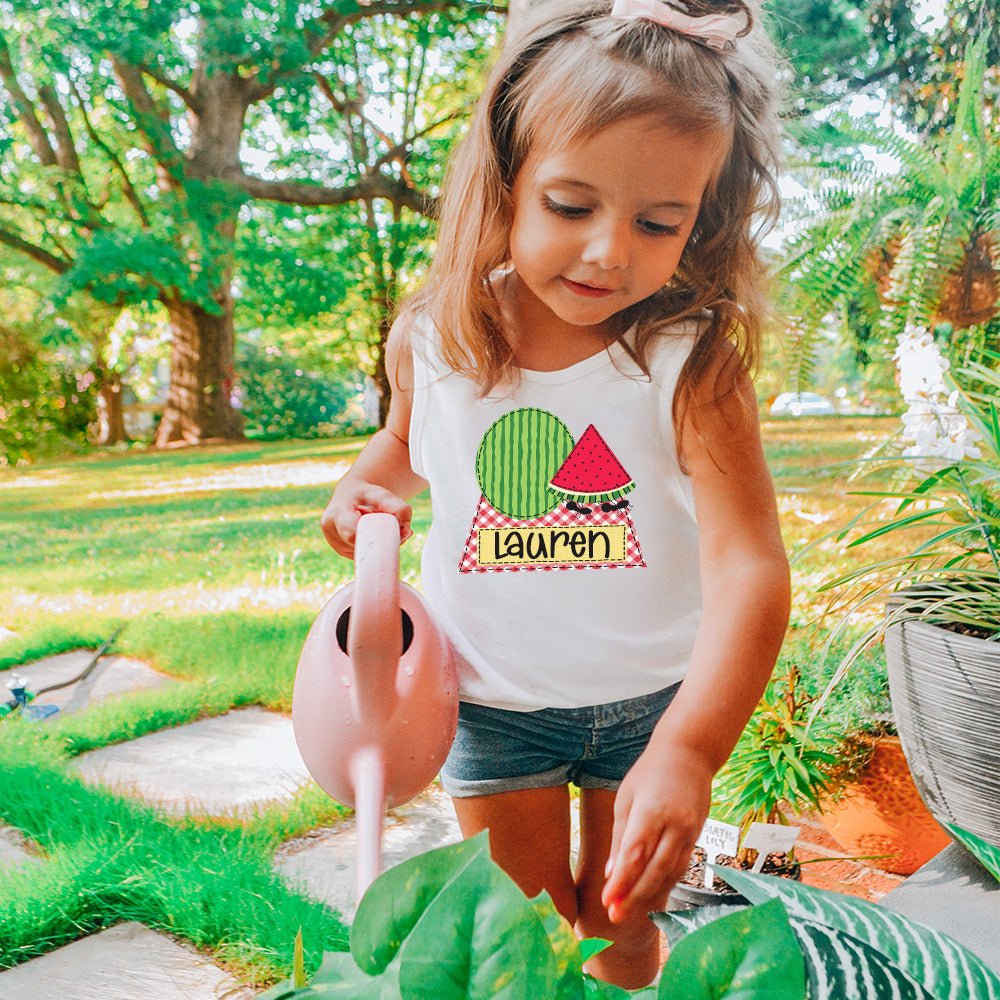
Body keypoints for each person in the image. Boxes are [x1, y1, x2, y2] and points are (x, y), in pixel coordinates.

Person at [321, 0, 790, 988]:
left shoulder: (686, 362)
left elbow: (747, 561)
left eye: (657, 221)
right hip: (490, 698)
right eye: (570, 207)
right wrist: (365, 487)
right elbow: (404, 449)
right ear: (504, 182)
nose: (609, 251)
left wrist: (693, 750)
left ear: (697, 218)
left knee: (618, 933)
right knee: (524, 943)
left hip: (651, 711)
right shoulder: (433, 340)